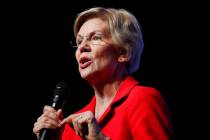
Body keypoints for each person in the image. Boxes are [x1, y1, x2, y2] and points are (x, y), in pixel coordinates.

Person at [33, 7, 174, 140]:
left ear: (123, 53)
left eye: (95, 38)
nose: (82, 47)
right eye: (79, 41)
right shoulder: (72, 124)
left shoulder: (142, 99)